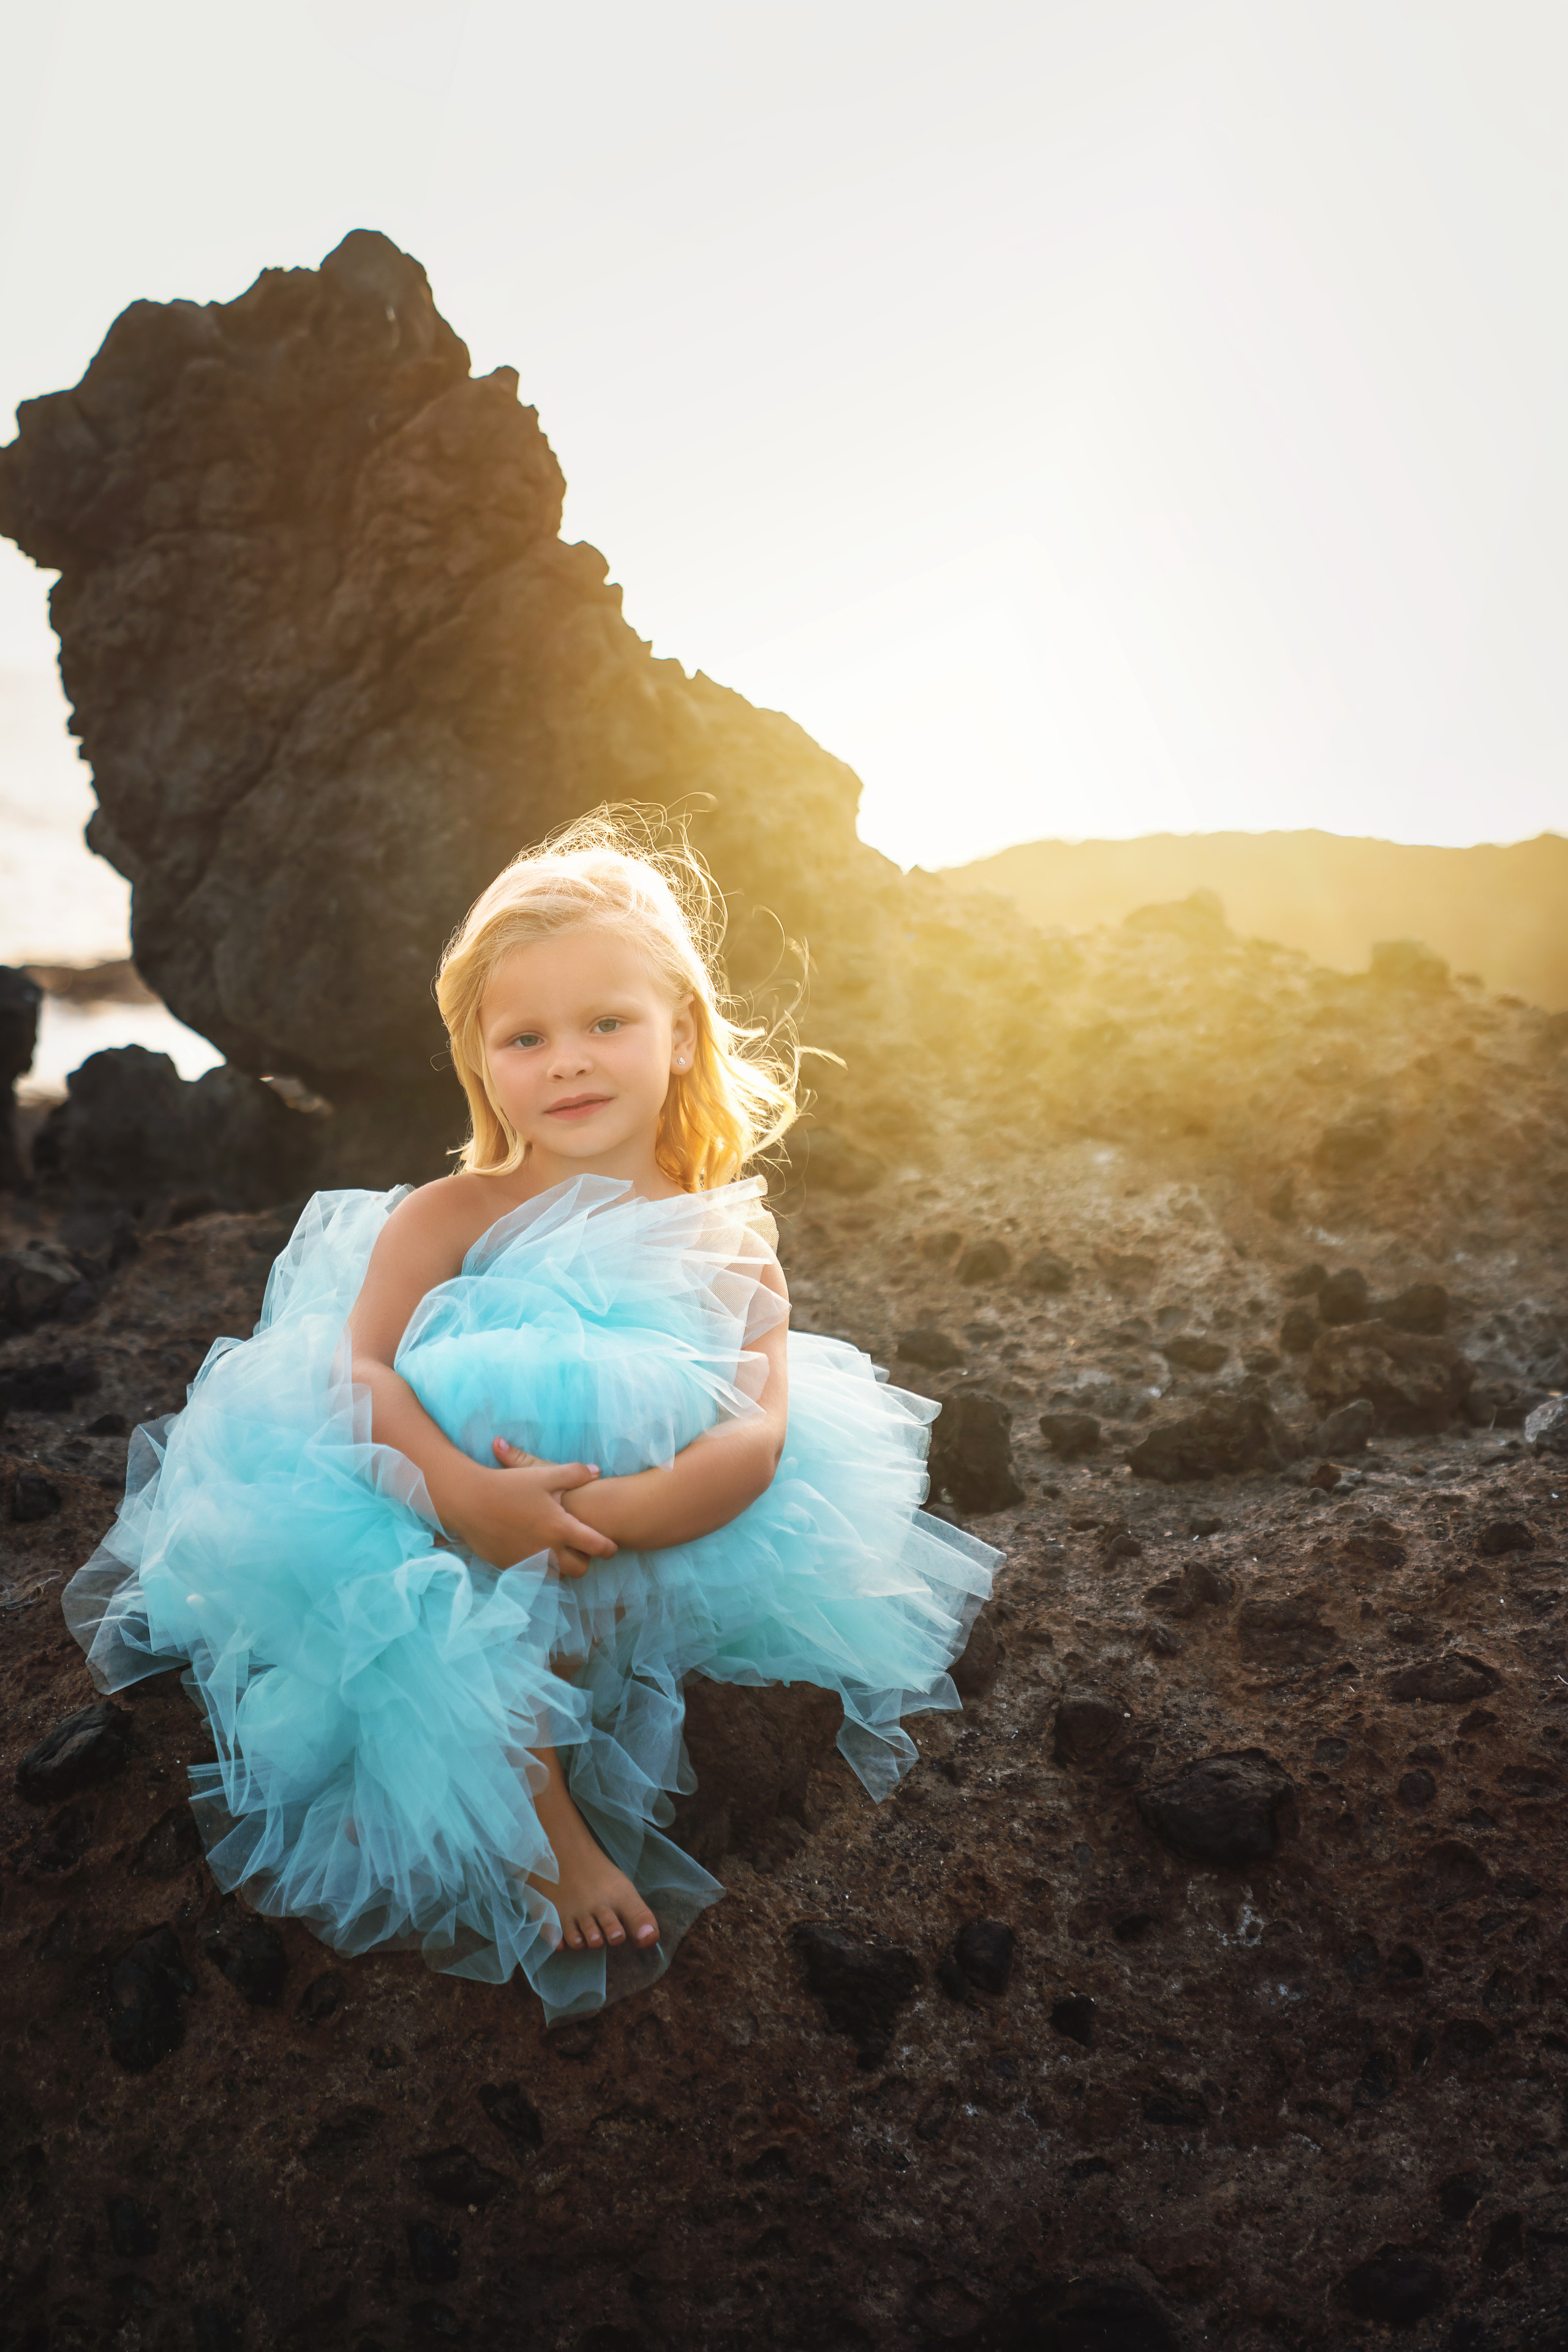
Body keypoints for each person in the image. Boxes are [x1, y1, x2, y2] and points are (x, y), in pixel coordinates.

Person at [63, 811, 998, 2022]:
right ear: (481, 1061)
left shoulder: (724, 1238)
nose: (568, 1062)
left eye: (607, 1023)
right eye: (526, 1037)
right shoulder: (449, 1217)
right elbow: (360, 1373)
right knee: (480, 1391)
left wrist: (611, 1513)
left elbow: (757, 1432)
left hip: (636, 1517)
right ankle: (531, 1802)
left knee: (621, 1400)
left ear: (680, 1034)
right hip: (424, 1498)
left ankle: (512, 1714)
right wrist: (463, 1494)